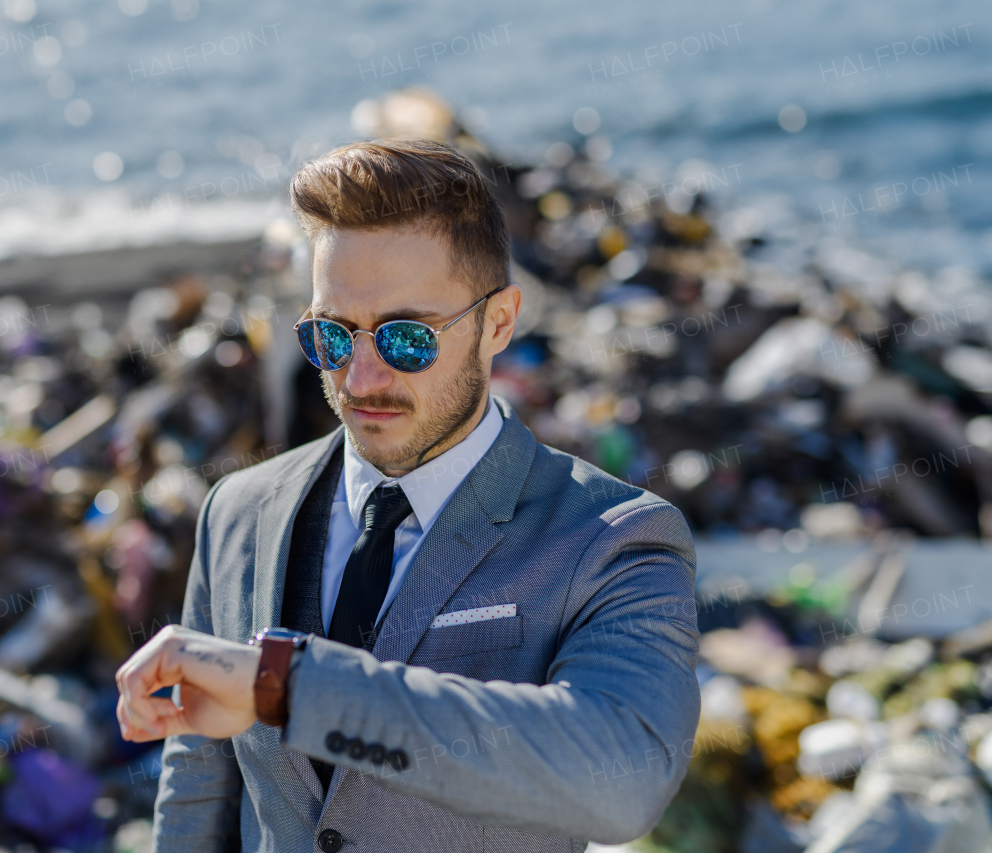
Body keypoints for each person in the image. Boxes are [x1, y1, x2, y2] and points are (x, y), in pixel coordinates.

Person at [116, 138, 700, 853]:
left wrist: (292, 687)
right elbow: (199, 792)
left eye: (407, 340)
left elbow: (621, 781)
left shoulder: (612, 536)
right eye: (332, 336)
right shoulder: (239, 510)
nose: (360, 379)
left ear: (499, 322)